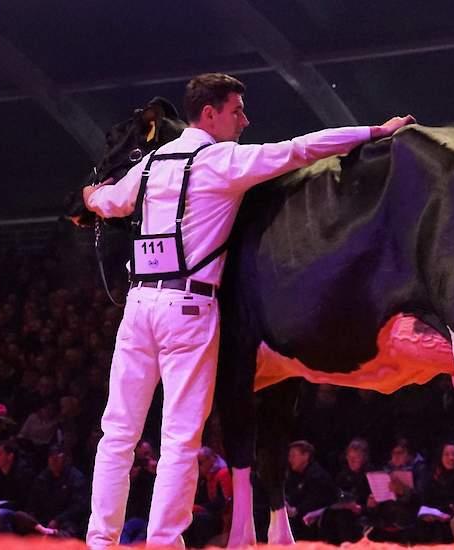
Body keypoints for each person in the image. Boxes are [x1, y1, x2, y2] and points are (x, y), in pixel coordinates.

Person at [82, 72, 413, 548]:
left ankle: (100, 540)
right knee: (178, 437)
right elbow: (301, 149)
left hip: (138, 306)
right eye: (236, 110)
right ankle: (162, 542)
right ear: (209, 114)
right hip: (188, 309)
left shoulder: (152, 164)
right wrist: (374, 132)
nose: (245, 119)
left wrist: (93, 197)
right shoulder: (222, 162)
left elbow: (111, 203)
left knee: (117, 432)